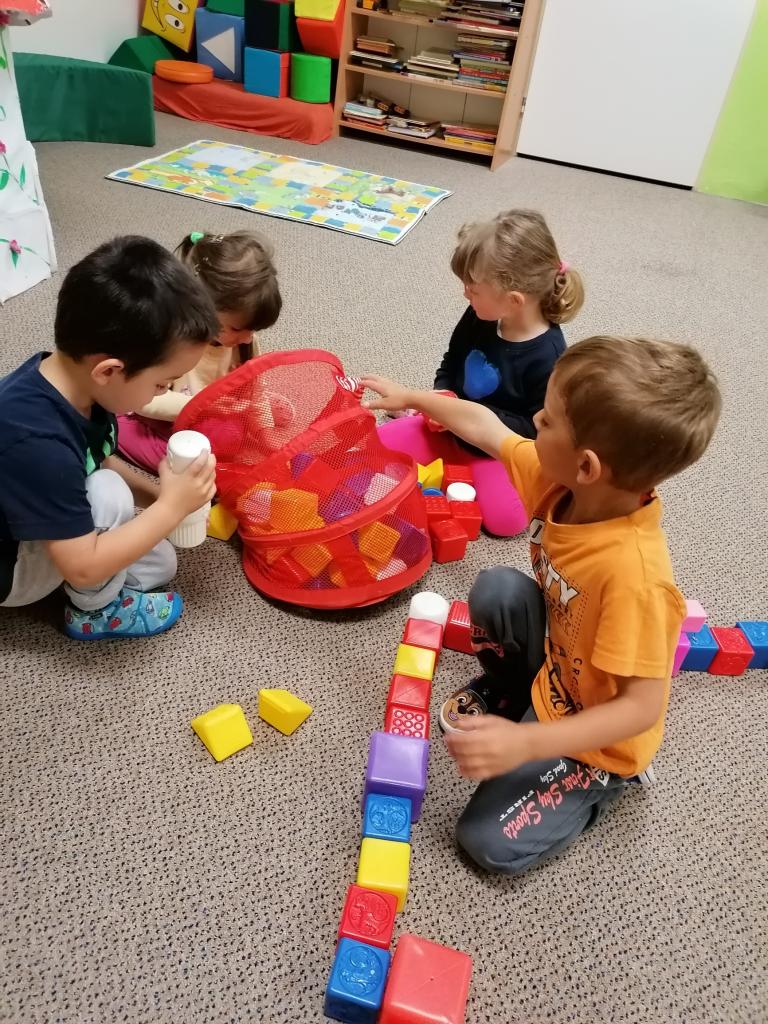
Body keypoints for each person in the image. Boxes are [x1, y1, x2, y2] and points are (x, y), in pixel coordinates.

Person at [362, 335, 721, 874]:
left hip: (600, 740)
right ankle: (517, 691)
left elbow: (640, 708)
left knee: (484, 841)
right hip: (560, 660)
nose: (534, 419)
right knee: (497, 590)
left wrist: (528, 742)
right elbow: (486, 427)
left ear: (587, 466)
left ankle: (600, 787)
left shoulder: (637, 580)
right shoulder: (561, 482)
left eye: (548, 420)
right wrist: (413, 397)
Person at [0, 235, 220, 639]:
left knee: (160, 564)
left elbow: (96, 457)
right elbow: (85, 566)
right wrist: (171, 507)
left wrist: (165, 500)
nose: (162, 394)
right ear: (109, 371)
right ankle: (93, 614)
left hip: (40, 523)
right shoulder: (37, 442)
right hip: (10, 568)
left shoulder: (83, 387)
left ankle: (80, 569)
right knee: (107, 493)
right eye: (162, 384)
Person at [378, 209, 584, 536]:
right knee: (375, 447)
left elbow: (533, 429)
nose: (465, 294)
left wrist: (460, 413)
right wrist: (443, 395)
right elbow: (452, 361)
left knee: (507, 521)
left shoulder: (549, 356)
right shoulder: (480, 314)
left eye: (473, 289)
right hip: (448, 428)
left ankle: (468, 471)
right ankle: (445, 457)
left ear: (514, 301)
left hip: (495, 451)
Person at [118, 230, 282, 474]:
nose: (248, 337)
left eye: (253, 329)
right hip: (158, 413)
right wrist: (208, 405)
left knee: (248, 421)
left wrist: (268, 439)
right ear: (200, 306)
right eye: (238, 328)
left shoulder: (245, 342)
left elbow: (255, 388)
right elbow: (146, 402)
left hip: (209, 412)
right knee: (120, 429)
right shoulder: (171, 341)